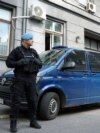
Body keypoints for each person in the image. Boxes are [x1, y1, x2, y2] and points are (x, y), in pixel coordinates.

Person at [6, 33, 42, 133]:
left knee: (33, 100)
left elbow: (41, 64)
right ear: (24, 40)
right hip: (20, 78)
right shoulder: (17, 51)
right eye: (30, 39)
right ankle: (13, 124)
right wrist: (19, 62)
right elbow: (8, 63)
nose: (32, 41)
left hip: (31, 79)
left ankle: (33, 121)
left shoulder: (33, 51)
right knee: (16, 101)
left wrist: (37, 61)